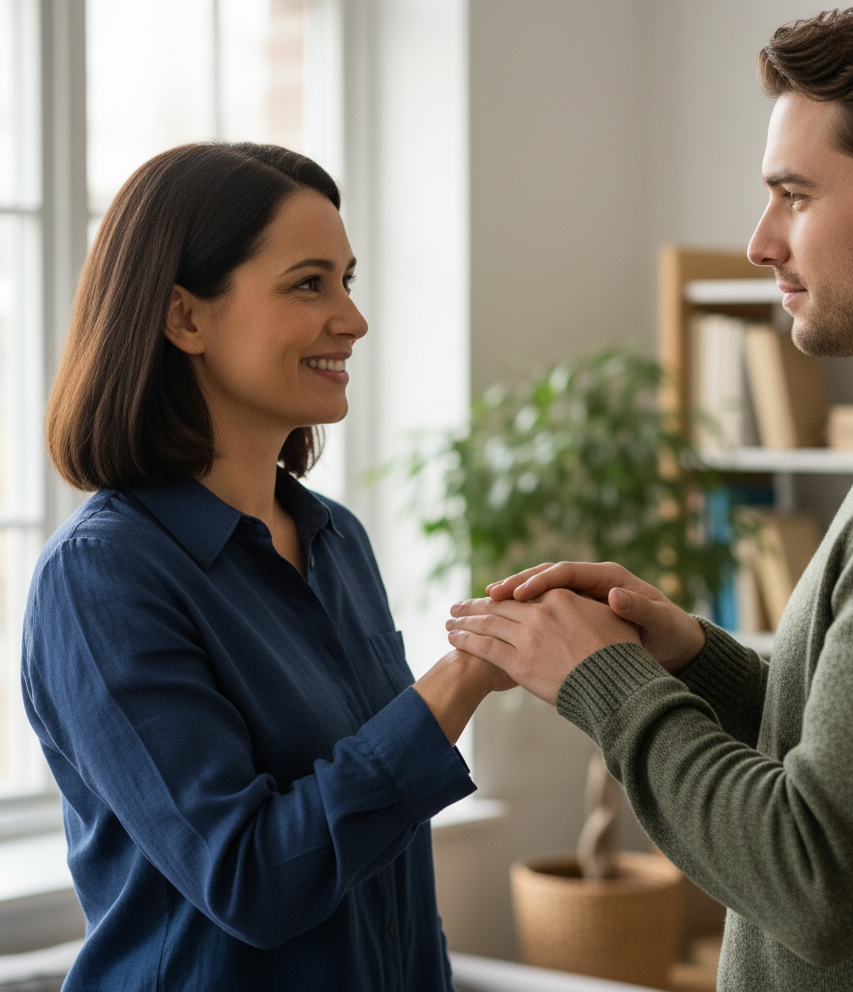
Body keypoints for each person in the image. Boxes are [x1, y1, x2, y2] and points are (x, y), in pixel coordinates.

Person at [447, 0, 853, 991]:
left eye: (794, 196)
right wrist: (688, 659)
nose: (761, 243)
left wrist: (605, 685)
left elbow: (816, 877)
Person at [21, 141, 512, 991]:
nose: (352, 319)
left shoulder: (336, 540)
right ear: (186, 318)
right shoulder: (101, 578)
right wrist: (457, 682)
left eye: (348, 281)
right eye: (308, 283)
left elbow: (387, 877)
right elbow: (251, 879)